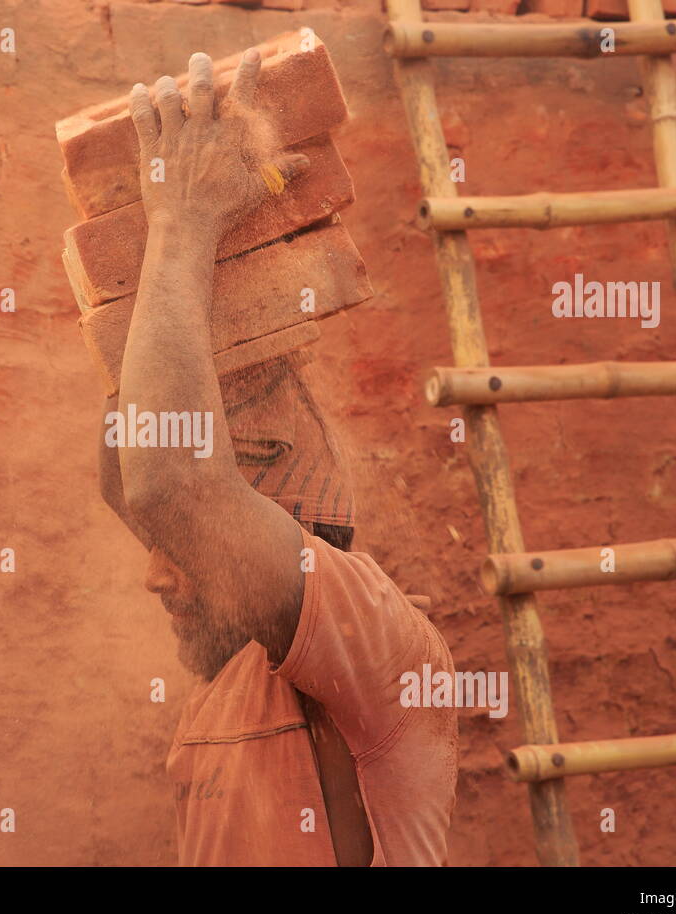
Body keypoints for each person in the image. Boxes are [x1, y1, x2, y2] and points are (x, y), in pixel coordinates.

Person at [96, 48, 458, 866]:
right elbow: (142, 483)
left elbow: (174, 487)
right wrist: (123, 272)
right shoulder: (229, 669)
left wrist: (185, 220)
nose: (155, 572)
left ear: (285, 522)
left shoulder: (378, 644)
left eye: (182, 548)